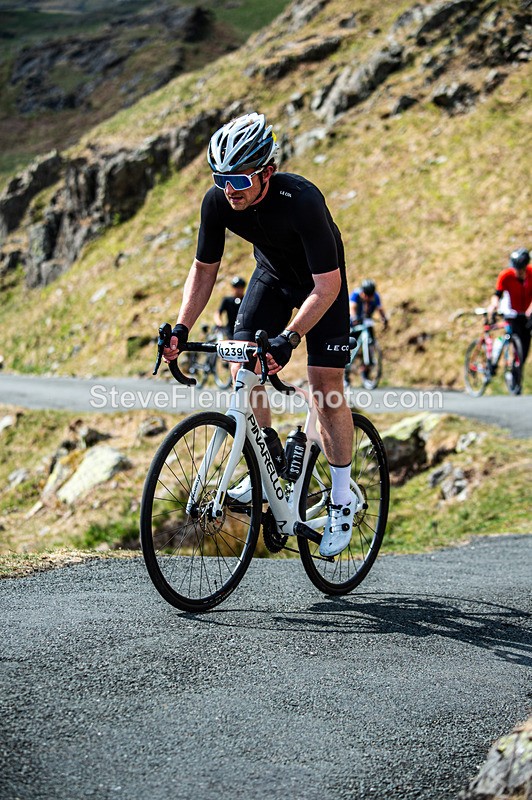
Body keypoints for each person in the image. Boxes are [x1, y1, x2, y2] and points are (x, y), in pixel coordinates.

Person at [163, 111, 356, 557]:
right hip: (271, 277)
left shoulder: (302, 200)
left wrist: (289, 338)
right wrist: (181, 327)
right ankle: (264, 457)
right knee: (241, 358)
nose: (229, 190)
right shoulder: (218, 202)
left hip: (320, 287)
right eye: (220, 178)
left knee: (325, 385)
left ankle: (342, 499)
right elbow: (203, 270)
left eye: (240, 180)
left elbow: (327, 286)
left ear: (266, 172)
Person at [487, 247, 532, 377]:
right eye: (516, 269)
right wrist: (494, 305)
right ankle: (502, 359)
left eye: (520, 269)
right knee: (513, 336)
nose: (517, 272)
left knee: (525, 345)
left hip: (527, 313)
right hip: (511, 312)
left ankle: (517, 369)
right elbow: (497, 294)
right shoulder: (506, 275)